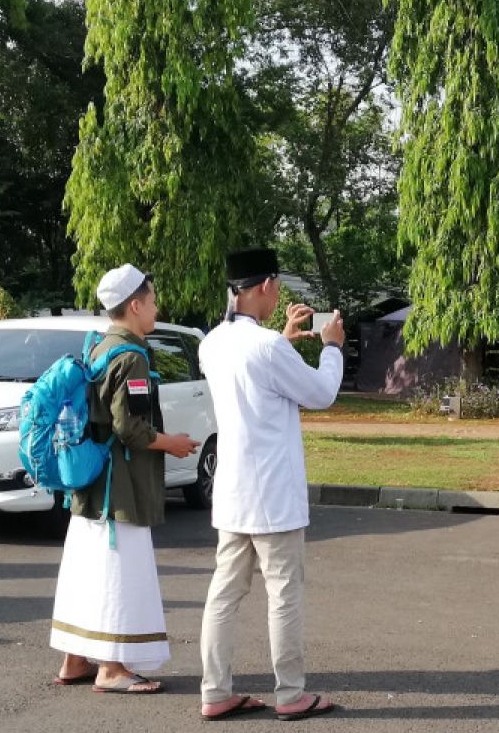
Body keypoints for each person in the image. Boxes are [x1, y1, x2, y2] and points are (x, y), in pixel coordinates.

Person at [197, 248, 345, 722]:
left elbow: (252, 380)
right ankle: (291, 692)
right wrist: (331, 347)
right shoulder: (266, 347)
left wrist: (281, 339)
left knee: (224, 593)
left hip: (233, 490)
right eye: (278, 286)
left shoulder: (211, 342)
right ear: (265, 286)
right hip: (273, 495)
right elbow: (321, 394)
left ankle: (215, 689)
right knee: (284, 593)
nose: (279, 294)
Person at [50, 265, 202, 693]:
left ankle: (75, 660)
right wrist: (170, 442)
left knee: (87, 568)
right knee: (119, 572)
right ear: (134, 306)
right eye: (152, 301)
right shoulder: (132, 355)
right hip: (121, 489)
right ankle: (113, 669)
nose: (156, 308)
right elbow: (129, 428)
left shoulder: (98, 346)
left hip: (91, 485)